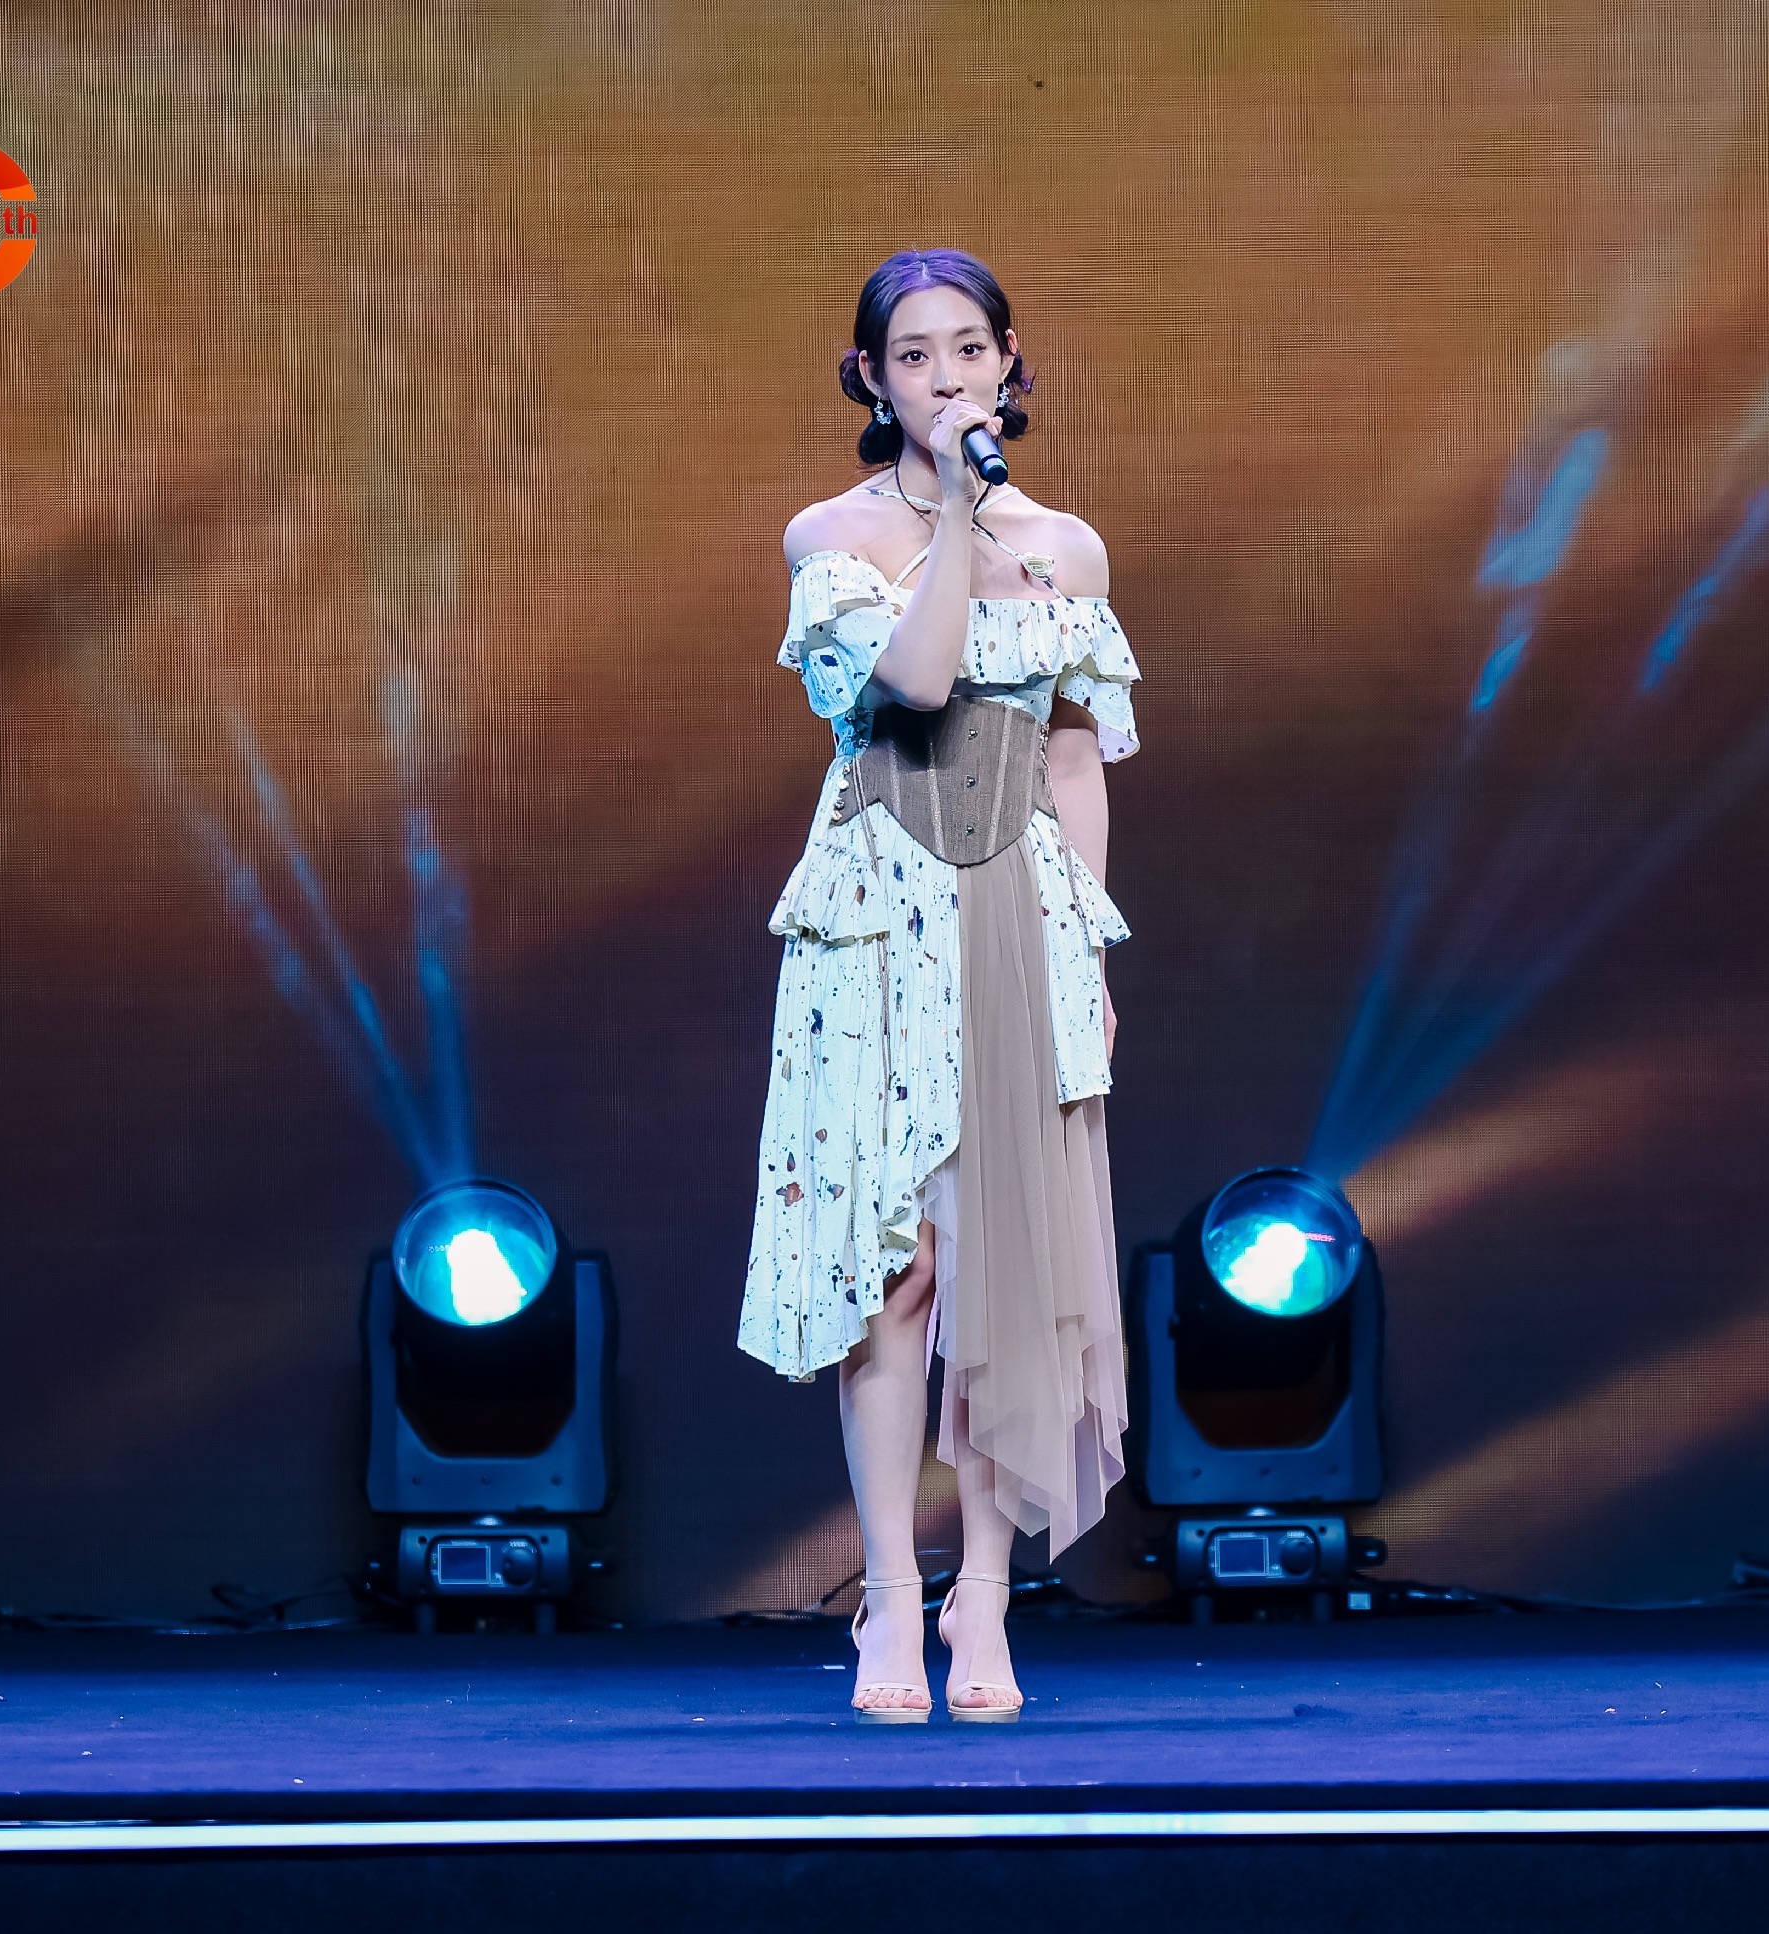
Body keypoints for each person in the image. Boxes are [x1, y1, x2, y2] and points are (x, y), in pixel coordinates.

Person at [739, 248, 1138, 1722]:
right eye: (915, 356)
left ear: (1008, 360)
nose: (948, 377)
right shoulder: (832, 533)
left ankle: (985, 1599)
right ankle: (891, 1601)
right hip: (878, 922)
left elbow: (1075, 758)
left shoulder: (1070, 548)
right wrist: (960, 523)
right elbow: (911, 684)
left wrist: (1089, 946)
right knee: (893, 1276)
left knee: (1001, 1277)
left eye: (970, 349)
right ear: (872, 377)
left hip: (1019, 917)